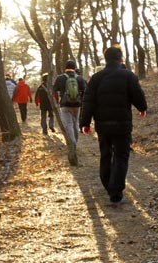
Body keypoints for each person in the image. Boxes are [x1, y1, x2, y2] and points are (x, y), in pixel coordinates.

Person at [79, 46, 147, 205]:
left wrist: (85, 123)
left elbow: (88, 102)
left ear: (106, 59)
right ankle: (115, 193)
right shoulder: (128, 76)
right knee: (121, 156)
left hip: (103, 125)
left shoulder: (96, 78)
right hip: (122, 124)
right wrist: (142, 108)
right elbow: (137, 94)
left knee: (106, 154)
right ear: (121, 59)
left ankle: (108, 185)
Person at [53, 60, 87, 146]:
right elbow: (85, 90)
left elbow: (54, 90)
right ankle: (75, 141)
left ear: (65, 68)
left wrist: (57, 101)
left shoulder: (60, 78)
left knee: (68, 124)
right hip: (77, 105)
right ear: (75, 68)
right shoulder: (79, 78)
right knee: (76, 123)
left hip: (65, 105)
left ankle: (73, 144)